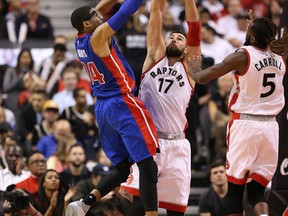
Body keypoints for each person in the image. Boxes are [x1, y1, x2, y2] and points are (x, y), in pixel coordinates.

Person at [189, 12, 288, 216]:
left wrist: (194, 70)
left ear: (252, 38)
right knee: (257, 190)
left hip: (246, 125)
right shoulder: (280, 56)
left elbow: (204, 77)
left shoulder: (242, 55)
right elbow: (262, 44)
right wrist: (254, 28)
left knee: (234, 189)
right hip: (270, 127)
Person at [67, 0, 159, 216]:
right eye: (95, 16)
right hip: (121, 102)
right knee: (147, 164)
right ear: (87, 24)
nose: (100, 16)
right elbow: (128, 9)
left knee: (123, 167)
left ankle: (85, 204)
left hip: (103, 107)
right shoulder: (98, 36)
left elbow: (100, 8)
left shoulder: (79, 38)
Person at [120, 0, 201, 214]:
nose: (174, 38)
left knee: (176, 211)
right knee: (139, 205)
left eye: (180, 38)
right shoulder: (155, 56)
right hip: (149, 143)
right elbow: (155, 10)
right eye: (171, 36)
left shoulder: (191, 68)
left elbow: (195, 27)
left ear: (186, 49)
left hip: (177, 146)